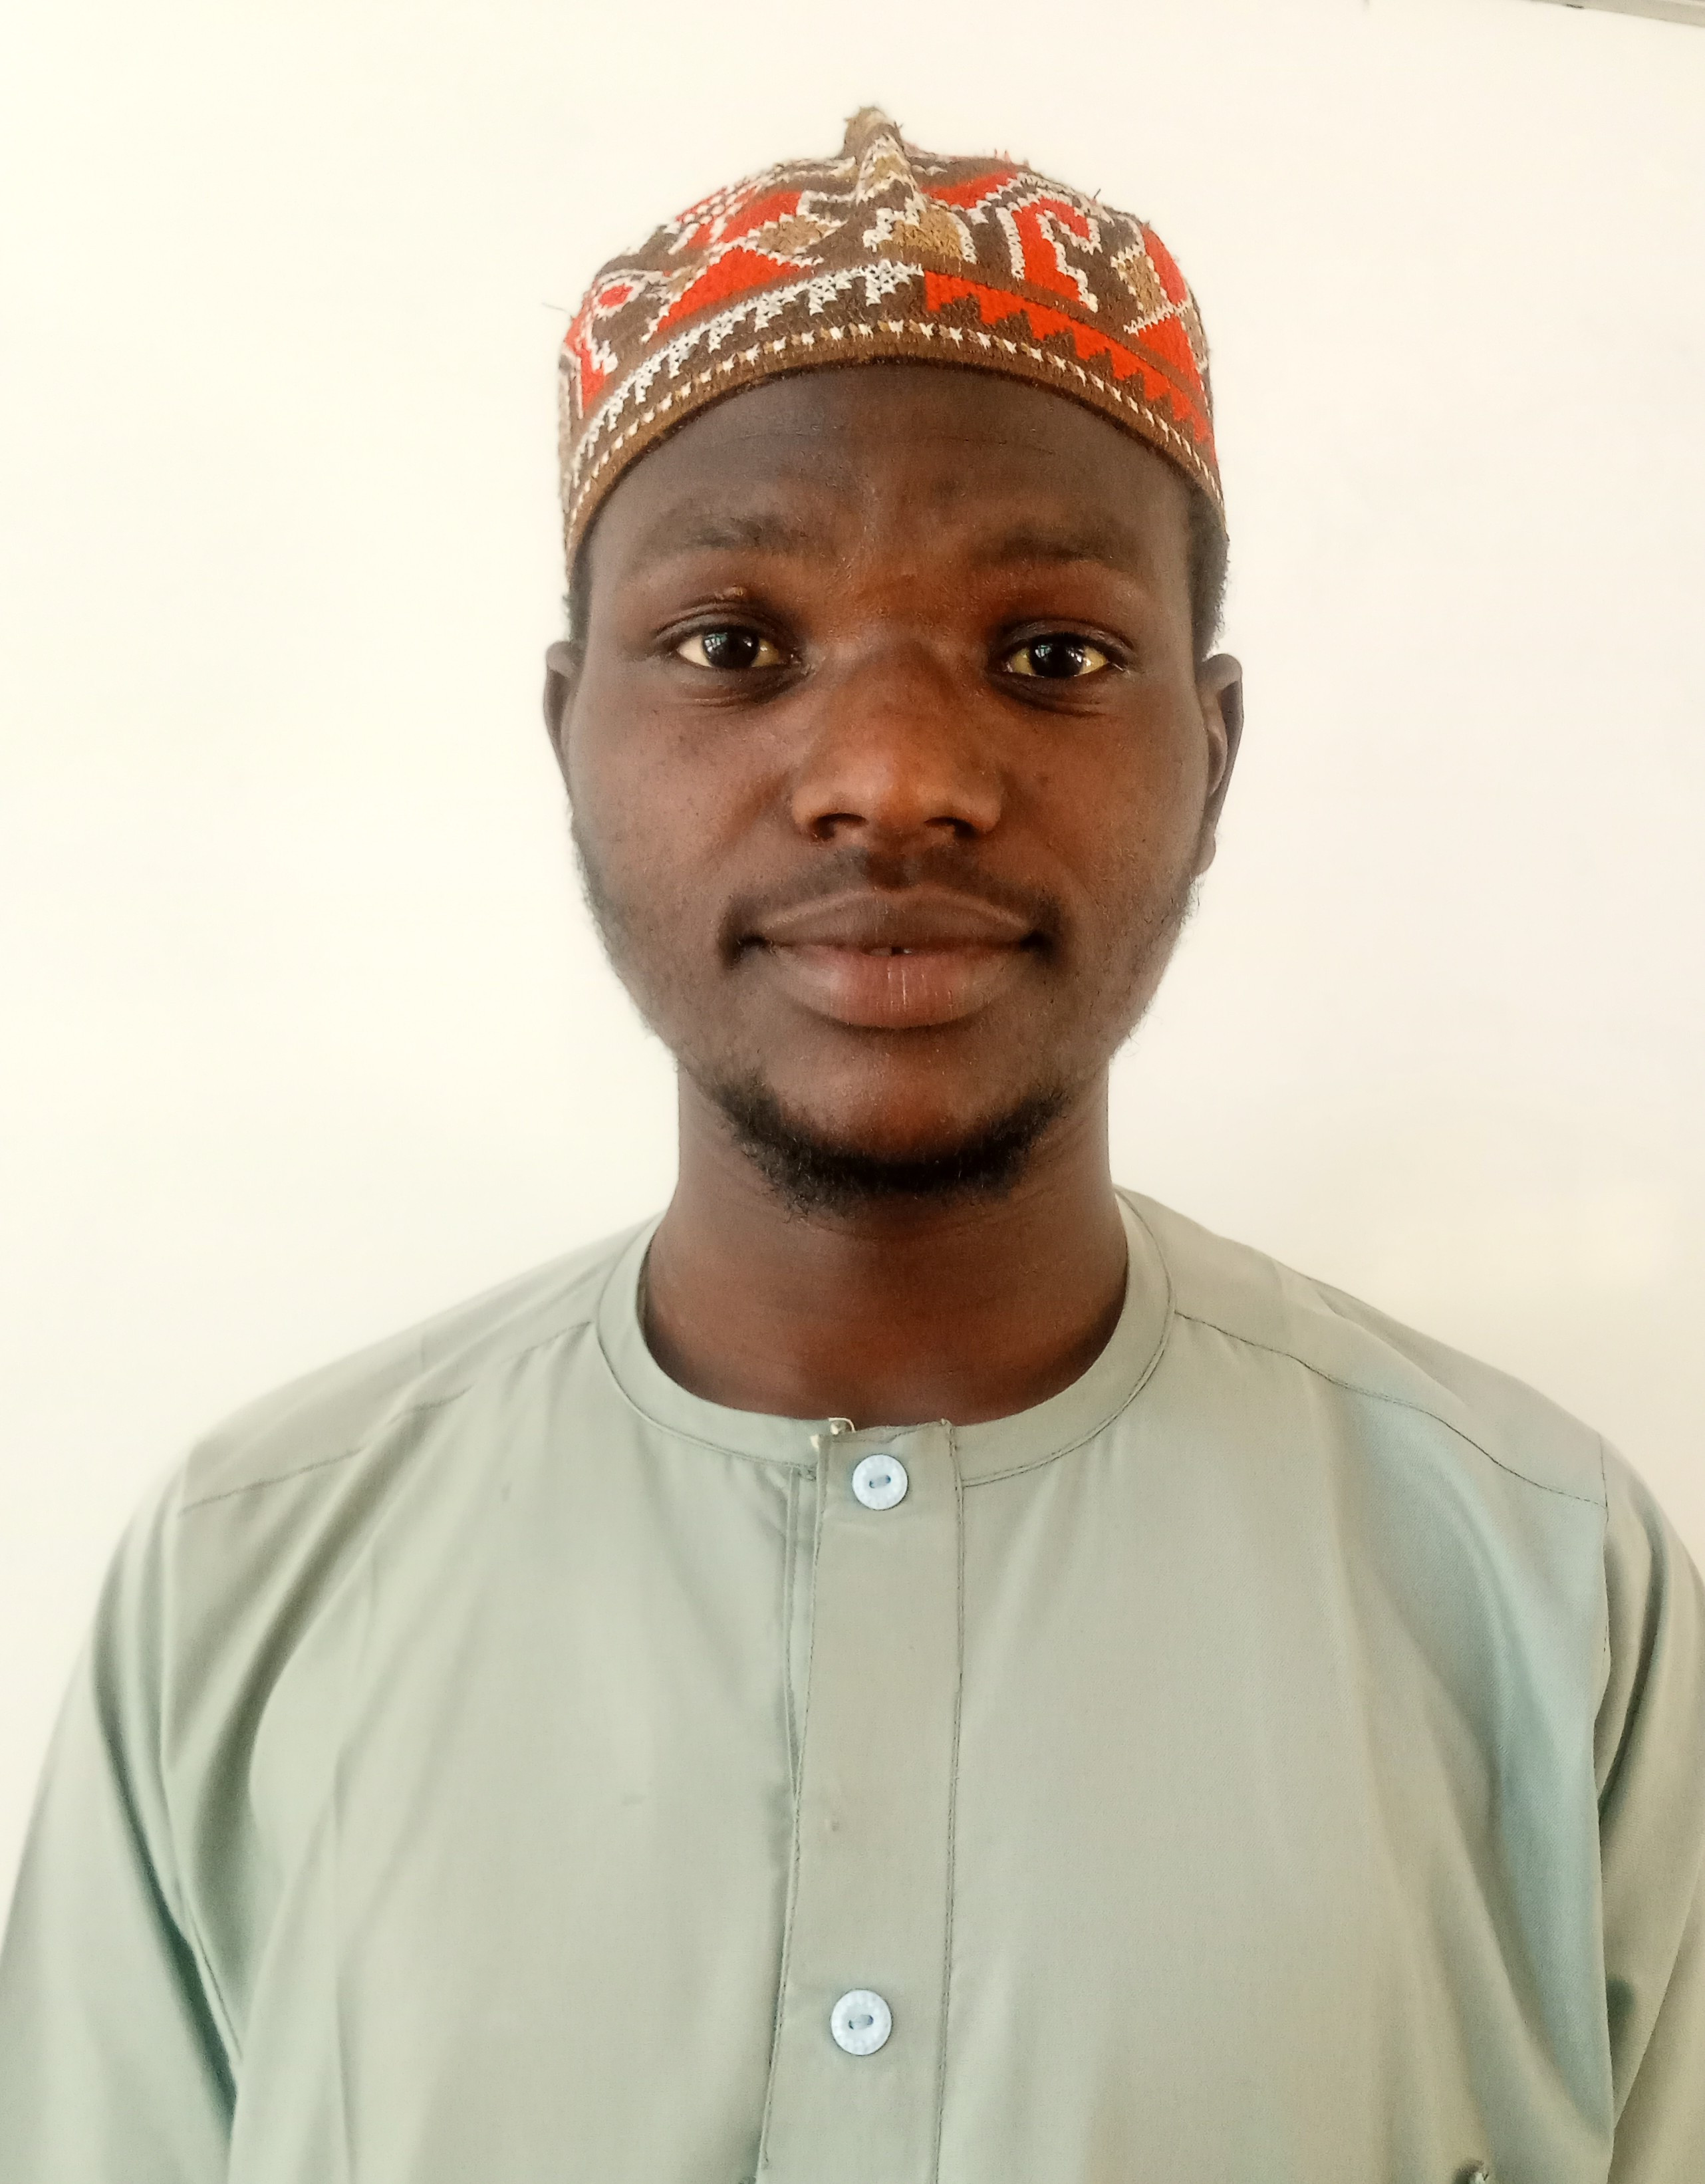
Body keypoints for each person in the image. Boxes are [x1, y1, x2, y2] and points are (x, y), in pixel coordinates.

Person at [0, 106, 1699, 2184]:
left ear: (1209, 750)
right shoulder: (250, 1577)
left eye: (1051, 654)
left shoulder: (1546, 1584)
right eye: (733, 644)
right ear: (570, 733)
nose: (891, 777)